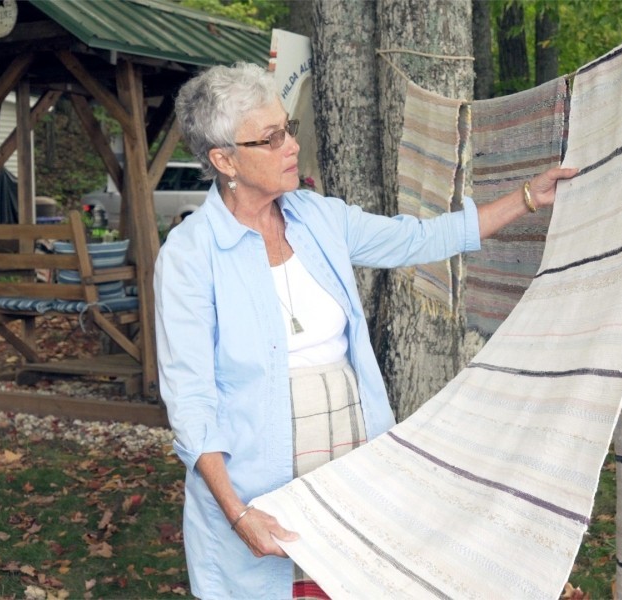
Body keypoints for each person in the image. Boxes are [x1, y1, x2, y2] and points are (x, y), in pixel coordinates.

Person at [154, 61, 577, 600]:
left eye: (289, 129)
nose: (291, 146)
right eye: (272, 137)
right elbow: (191, 404)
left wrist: (526, 198)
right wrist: (238, 516)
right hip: (258, 485)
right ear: (223, 160)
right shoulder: (190, 256)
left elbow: (416, 239)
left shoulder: (317, 217)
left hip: (348, 458)